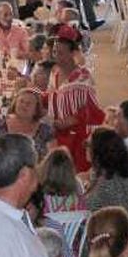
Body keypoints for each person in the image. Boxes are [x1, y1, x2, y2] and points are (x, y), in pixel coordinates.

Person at [48, 27, 105, 171]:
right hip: (58, 130)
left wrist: (69, 121)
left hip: (78, 136)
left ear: (72, 54)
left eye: (61, 53)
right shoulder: (55, 73)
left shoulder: (83, 78)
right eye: (55, 52)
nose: (56, 56)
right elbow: (50, 98)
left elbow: (92, 111)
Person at [84, 127, 128, 221]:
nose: (85, 148)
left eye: (88, 144)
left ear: (99, 152)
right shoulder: (121, 174)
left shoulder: (107, 183)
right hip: (127, 229)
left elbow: (86, 208)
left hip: (112, 231)